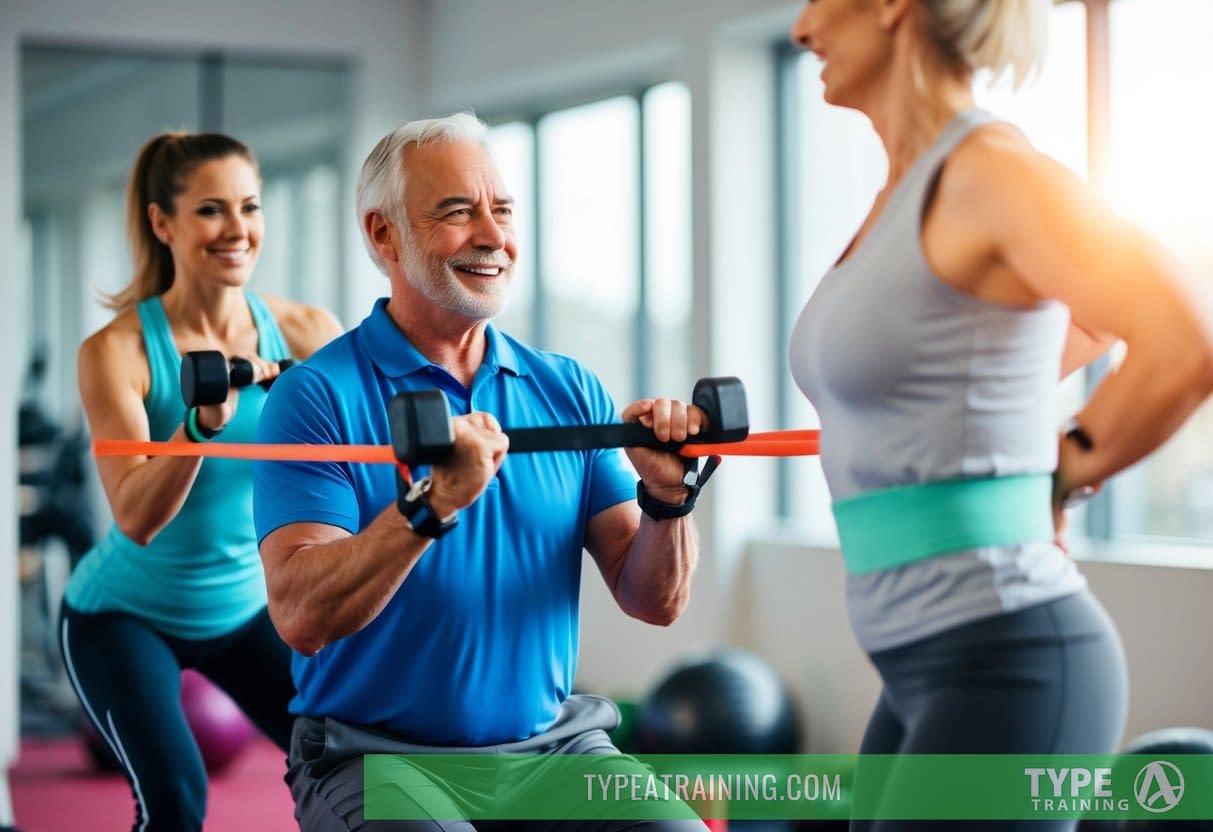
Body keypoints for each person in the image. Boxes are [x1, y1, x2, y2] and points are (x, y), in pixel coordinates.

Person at [787, 1, 1213, 830]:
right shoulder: (899, 199)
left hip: (1007, 654)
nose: (802, 27)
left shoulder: (989, 172)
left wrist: (1063, 469)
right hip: (916, 664)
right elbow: (1055, 332)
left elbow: (1183, 339)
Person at [251, 113, 710, 831]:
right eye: (457, 212)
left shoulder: (567, 389)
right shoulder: (318, 395)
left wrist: (666, 496)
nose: (492, 236)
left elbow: (653, 600)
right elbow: (302, 617)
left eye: (500, 210)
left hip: (552, 751)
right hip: (375, 757)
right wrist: (430, 505)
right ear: (383, 235)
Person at [61, 131, 343, 831]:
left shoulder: (307, 333)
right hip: (122, 616)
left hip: (246, 608)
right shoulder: (117, 352)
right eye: (211, 210)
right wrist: (199, 427)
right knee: (177, 802)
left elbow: (360, 461)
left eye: (249, 206)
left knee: (346, 761)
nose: (237, 229)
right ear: (163, 223)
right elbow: (135, 515)